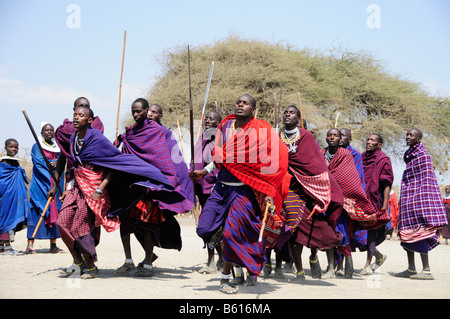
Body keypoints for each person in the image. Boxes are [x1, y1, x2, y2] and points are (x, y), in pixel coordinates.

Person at [49, 105, 173, 279]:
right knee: (62, 222)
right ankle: (77, 261)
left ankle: (91, 267)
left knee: (80, 226)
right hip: (77, 186)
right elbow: (74, 166)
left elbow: (113, 163)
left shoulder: (97, 139)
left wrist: (100, 189)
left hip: (93, 189)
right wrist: (65, 186)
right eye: (74, 115)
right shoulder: (73, 138)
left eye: (81, 115)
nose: (76, 118)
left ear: (90, 120)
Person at [191, 94, 290, 294]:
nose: (240, 105)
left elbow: (273, 161)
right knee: (204, 228)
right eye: (238, 102)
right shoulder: (225, 126)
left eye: (245, 103)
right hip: (221, 187)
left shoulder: (261, 130)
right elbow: (221, 157)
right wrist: (205, 171)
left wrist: (268, 190)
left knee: (231, 234)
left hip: (244, 190)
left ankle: (225, 278)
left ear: (253, 110)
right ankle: (226, 238)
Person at [114, 98, 194, 277]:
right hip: (132, 184)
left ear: (147, 110)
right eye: (133, 112)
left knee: (149, 222)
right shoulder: (131, 133)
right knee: (125, 220)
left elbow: (167, 159)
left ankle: (148, 263)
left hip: (151, 186)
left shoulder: (159, 132)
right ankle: (128, 261)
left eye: (139, 112)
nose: (136, 115)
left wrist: (173, 178)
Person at [275, 106, 344, 283]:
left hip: (307, 189)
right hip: (285, 188)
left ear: (298, 119)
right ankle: (298, 271)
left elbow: (314, 163)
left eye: (291, 113)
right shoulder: (277, 137)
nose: (287, 115)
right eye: (285, 112)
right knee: (290, 226)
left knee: (311, 226)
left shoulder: (306, 137)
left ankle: (315, 256)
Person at [320, 128, 385, 279]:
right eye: (330, 135)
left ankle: (347, 260)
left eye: (337, 135)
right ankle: (331, 267)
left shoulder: (347, 155)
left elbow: (351, 177)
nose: (334, 138)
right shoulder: (322, 153)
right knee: (328, 233)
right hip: (324, 198)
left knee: (342, 231)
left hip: (343, 201)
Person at [395, 128, 448, 279]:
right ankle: (411, 269)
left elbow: (425, 181)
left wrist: (418, 200)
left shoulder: (423, 156)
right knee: (406, 234)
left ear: (419, 139)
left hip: (420, 200)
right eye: (407, 134)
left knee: (422, 234)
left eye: (411, 135)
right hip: (408, 199)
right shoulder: (409, 155)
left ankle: (426, 270)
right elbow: (409, 179)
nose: (407, 137)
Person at [25, 123, 65, 254]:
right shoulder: (37, 146)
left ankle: (53, 245)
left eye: (51, 130)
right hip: (41, 184)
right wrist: (50, 164)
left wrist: (57, 163)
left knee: (55, 211)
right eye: (46, 130)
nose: (49, 132)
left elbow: (63, 160)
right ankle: (30, 244)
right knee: (37, 211)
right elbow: (38, 162)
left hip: (56, 182)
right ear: (41, 132)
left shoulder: (58, 147)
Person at [193, 110, 224, 274]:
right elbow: (197, 161)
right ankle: (211, 260)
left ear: (218, 123)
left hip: (217, 188)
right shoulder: (201, 138)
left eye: (212, 119)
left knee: (217, 226)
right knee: (206, 225)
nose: (207, 121)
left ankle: (220, 259)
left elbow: (220, 164)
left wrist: (217, 182)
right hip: (202, 188)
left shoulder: (220, 140)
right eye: (206, 118)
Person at [360, 133, 394, 275]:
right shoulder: (362, 157)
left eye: (373, 140)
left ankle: (368, 264)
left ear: (379, 145)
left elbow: (386, 184)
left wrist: (385, 204)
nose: (369, 142)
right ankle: (379, 256)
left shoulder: (383, 159)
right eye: (368, 139)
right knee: (361, 231)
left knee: (372, 231)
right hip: (362, 198)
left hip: (376, 199)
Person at [0, 139, 31, 255]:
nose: (13, 149)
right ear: (5, 148)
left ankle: (5, 247)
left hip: (14, 198)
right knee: (5, 219)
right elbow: (2, 180)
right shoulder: (3, 164)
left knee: (10, 219)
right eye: (11, 147)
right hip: (5, 197)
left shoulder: (16, 163)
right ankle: (5, 247)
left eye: (16, 147)